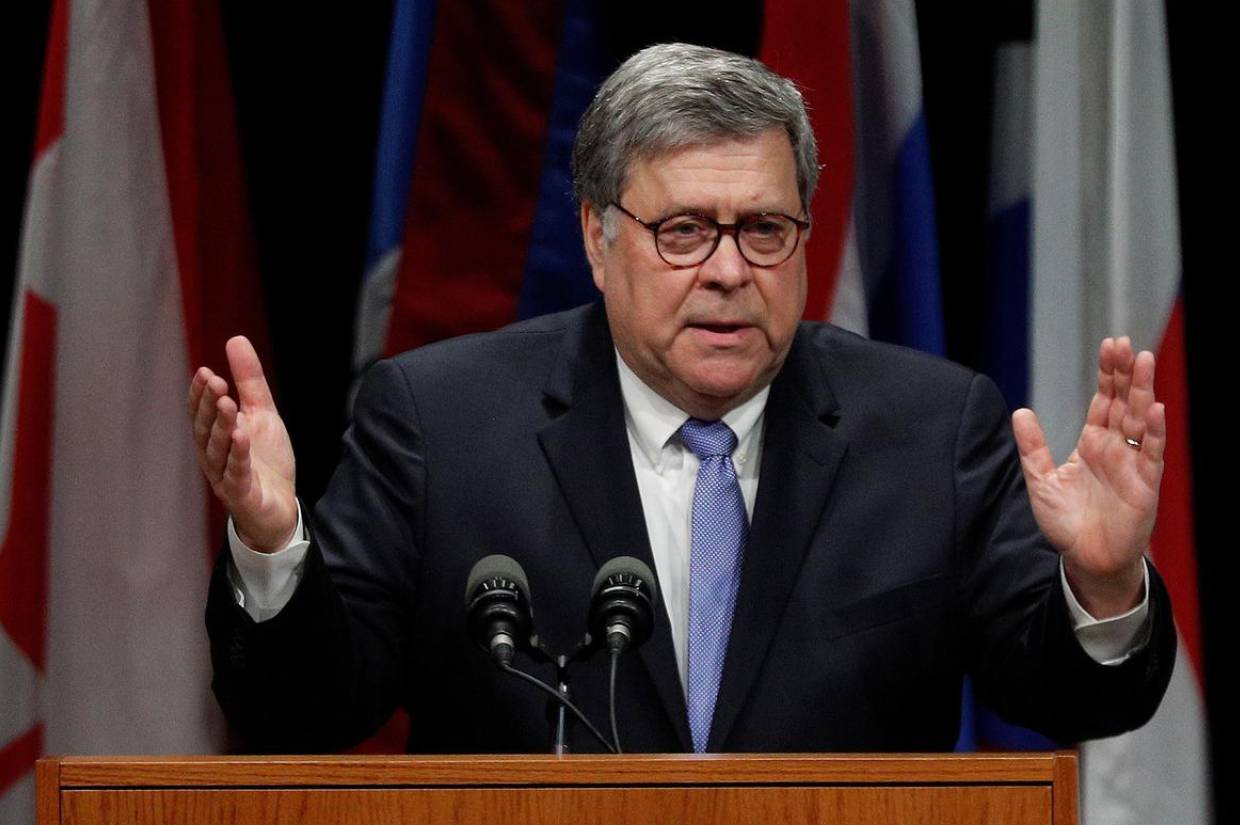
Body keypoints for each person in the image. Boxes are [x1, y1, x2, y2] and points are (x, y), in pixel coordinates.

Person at [191, 44, 1174, 754]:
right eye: (684, 231)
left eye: (764, 229)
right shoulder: (441, 421)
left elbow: (1065, 700)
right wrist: (276, 549)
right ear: (595, 236)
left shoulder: (928, 430)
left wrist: (1100, 586)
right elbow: (312, 708)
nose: (728, 271)